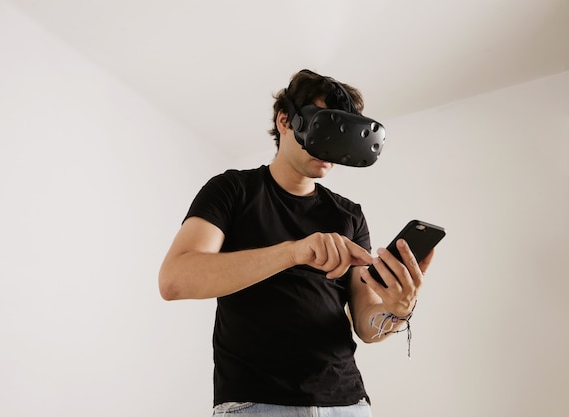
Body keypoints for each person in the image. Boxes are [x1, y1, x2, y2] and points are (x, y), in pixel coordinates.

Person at [158, 69, 435, 417]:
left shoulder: (349, 215)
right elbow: (174, 279)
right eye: (324, 128)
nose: (331, 149)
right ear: (285, 120)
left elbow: (365, 322)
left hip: (347, 403)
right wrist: (293, 252)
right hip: (257, 403)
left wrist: (396, 309)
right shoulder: (231, 191)